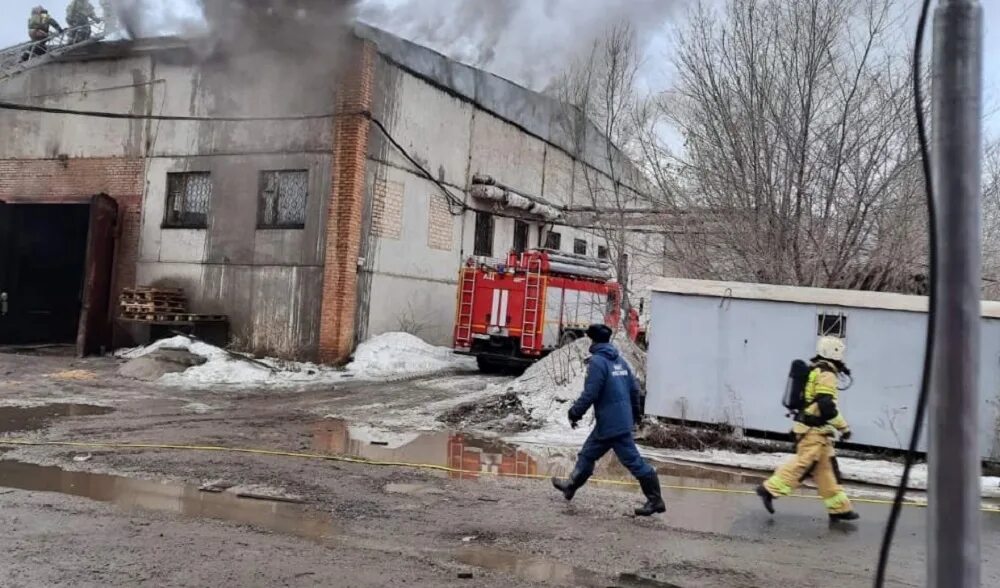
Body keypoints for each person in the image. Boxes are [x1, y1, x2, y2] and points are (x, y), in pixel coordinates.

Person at [551, 324, 666, 517]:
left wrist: (575, 412)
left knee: (635, 463)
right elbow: (635, 390)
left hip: (613, 426)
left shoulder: (598, 362)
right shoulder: (620, 361)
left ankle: (655, 500)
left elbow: (591, 393)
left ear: (593, 340)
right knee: (587, 454)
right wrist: (635, 416)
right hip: (615, 422)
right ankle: (570, 486)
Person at [756, 336, 860, 522]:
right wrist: (844, 428)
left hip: (818, 431)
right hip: (814, 431)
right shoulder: (827, 374)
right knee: (803, 464)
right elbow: (826, 406)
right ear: (834, 352)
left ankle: (839, 508)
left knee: (826, 471)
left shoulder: (817, 369)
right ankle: (769, 490)